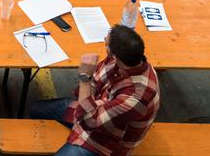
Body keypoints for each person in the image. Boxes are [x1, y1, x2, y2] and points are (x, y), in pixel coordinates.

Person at [30, 24, 161, 155]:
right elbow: (95, 84)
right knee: (35, 109)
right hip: (97, 110)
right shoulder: (125, 61)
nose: (104, 39)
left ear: (115, 56)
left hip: (108, 140)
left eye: (106, 43)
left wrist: (85, 78)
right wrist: (89, 87)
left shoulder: (136, 97)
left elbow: (89, 121)